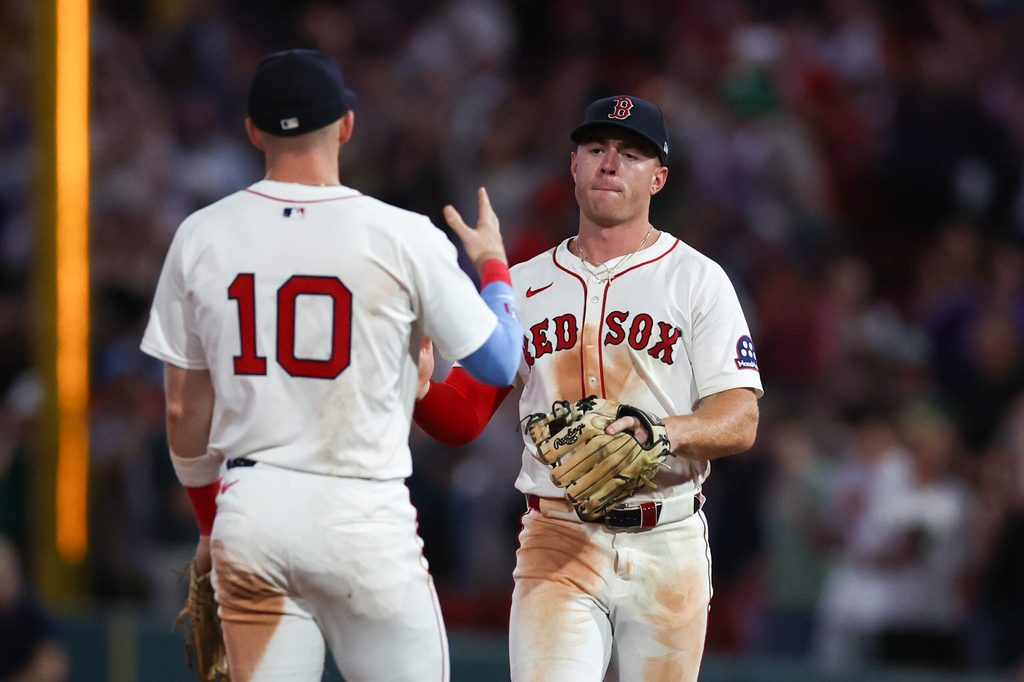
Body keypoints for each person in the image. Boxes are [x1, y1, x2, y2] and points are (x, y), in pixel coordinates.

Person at [140, 48, 521, 682]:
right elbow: (500, 358)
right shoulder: (401, 233)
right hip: (362, 515)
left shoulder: (201, 236)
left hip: (251, 510)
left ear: (252, 130)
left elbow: (183, 409)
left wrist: (212, 522)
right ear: (346, 124)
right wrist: (493, 268)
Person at [414, 95, 763, 681]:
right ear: (573, 164)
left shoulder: (698, 280)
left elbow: (740, 419)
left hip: (667, 538)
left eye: (630, 154)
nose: (609, 164)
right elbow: (463, 418)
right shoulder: (522, 286)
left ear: (659, 177)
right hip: (558, 537)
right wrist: (420, 389)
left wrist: (664, 432)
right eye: (597, 149)